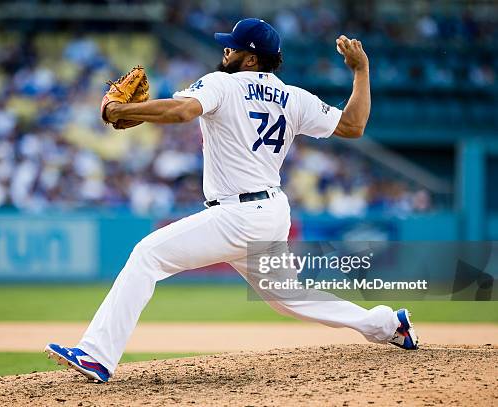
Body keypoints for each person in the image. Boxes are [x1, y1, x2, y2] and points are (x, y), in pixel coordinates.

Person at [45, 18, 418, 383]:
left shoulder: (221, 83)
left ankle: (96, 355)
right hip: (269, 210)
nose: (225, 50)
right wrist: (361, 71)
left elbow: (182, 111)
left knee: (148, 254)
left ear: (252, 58)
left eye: (233, 46)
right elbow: (353, 126)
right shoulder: (293, 97)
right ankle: (387, 324)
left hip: (239, 214)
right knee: (288, 297)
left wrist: (119, 110)